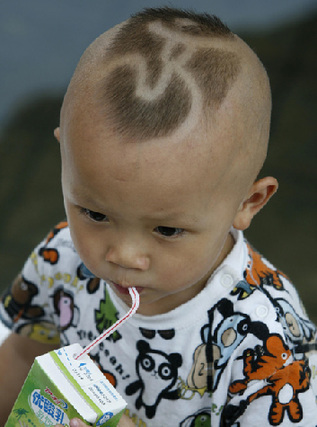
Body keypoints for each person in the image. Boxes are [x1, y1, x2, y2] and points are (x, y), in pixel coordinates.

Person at [0, 7, 316, 426]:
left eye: (167, 229)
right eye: (94, 213)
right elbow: (24, 351)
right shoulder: (62, 259)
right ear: (65, 160)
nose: (123, 255)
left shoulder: (265, 346)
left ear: (249, 203)